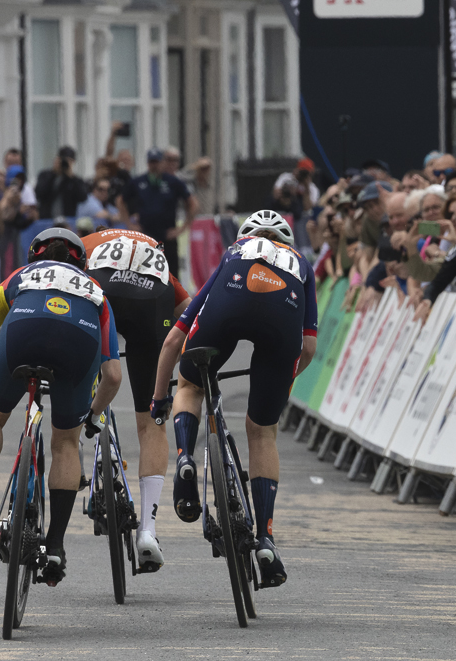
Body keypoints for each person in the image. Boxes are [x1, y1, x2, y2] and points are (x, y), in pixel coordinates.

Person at [150, 211, 317, 588]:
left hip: (229, 305)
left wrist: (160, 400)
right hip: (282, 319)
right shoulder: (301, 264)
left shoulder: (235, 251)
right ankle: (266, 537)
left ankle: (185, 458)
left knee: (191, 386)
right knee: (262, 432)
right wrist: (281, 385)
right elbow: (307, 347)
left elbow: (174, 340)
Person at [0, 228, 123, 586]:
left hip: (24, 333)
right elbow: (113, 376)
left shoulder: (19, 277)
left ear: (35, 256)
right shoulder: (98, 293)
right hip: (78, 341)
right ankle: (56, 545)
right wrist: (91, 418)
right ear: (82, 263)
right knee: (64, 442)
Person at [81, 227, 191, 571]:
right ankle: (148, 530)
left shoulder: (85, 245)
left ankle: (90, 421)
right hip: (151, 302)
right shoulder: (149, 250)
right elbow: (187, 308)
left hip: (100, 293)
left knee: (86, 381)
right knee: (151, 422)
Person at [119, 147, 198, 275]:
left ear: (162, 163)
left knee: (170, 273)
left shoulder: (172, 182)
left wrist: (183, 227)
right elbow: (121, 201)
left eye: (157, 162)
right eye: (152, 162)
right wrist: (129, 224)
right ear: (148, 163)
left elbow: (192, 203)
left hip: (166, 236)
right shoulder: (139, 182)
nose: (154, 166)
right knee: (144, 272)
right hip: (145, 236)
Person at [35, 146, 88, 220]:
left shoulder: (75, 180)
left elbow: (83, 197)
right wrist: (54, 173)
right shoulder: (45, 175)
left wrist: (71, 176)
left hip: (68, 220)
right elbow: (39, 193)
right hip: (47, 219)